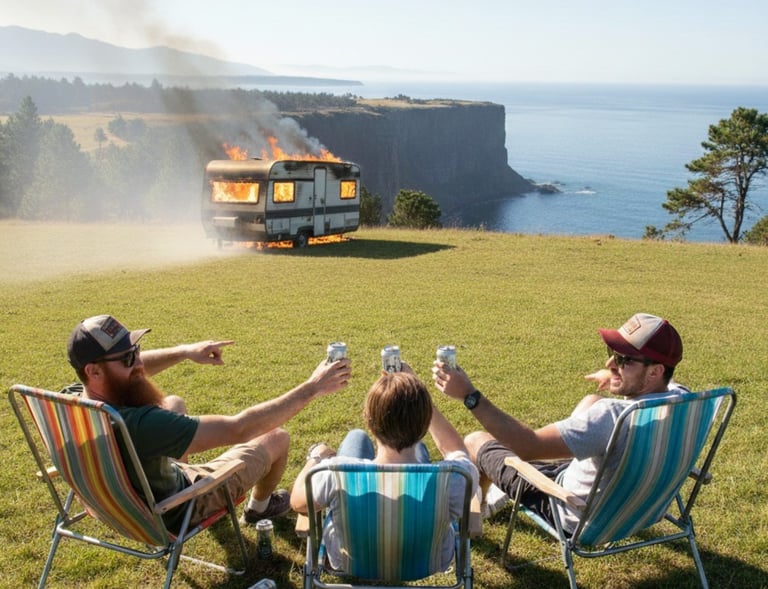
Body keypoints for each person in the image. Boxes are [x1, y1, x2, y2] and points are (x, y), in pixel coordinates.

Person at [66, 314, 351, 532]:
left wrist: (184, 352)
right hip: (174, 509)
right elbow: (239, 428)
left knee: (174, 402)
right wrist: (312, 387)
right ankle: (259, 509)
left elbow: (132, 370)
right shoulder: (140, 425)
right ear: (93, 371)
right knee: (276, 437)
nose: (139, 363)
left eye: (137, 351)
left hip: (117, 504)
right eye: (129, 358)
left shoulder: (69, 401)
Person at [431, 312, 687, 533]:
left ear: (655, 372)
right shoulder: (685, 400)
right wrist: (620, 377)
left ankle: (481, 507)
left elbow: (527, 446)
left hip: (571, 509)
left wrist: (469, 395)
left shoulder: (612, 418)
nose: (610, 364)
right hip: (639, 510)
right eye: (613, 354)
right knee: (592, 400)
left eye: (623, 360)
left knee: (475, 440)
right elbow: (655, 386)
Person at [290, 365, 479, 574]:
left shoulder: (334, 474)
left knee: (356, 438)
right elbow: (456, 450)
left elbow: (298, 503)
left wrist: (316, 456)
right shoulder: (454, 479)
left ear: (370, 424)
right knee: (419, 450)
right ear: (425, 425)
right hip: (426, 564)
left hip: (350, 563)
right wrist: (422, 403)